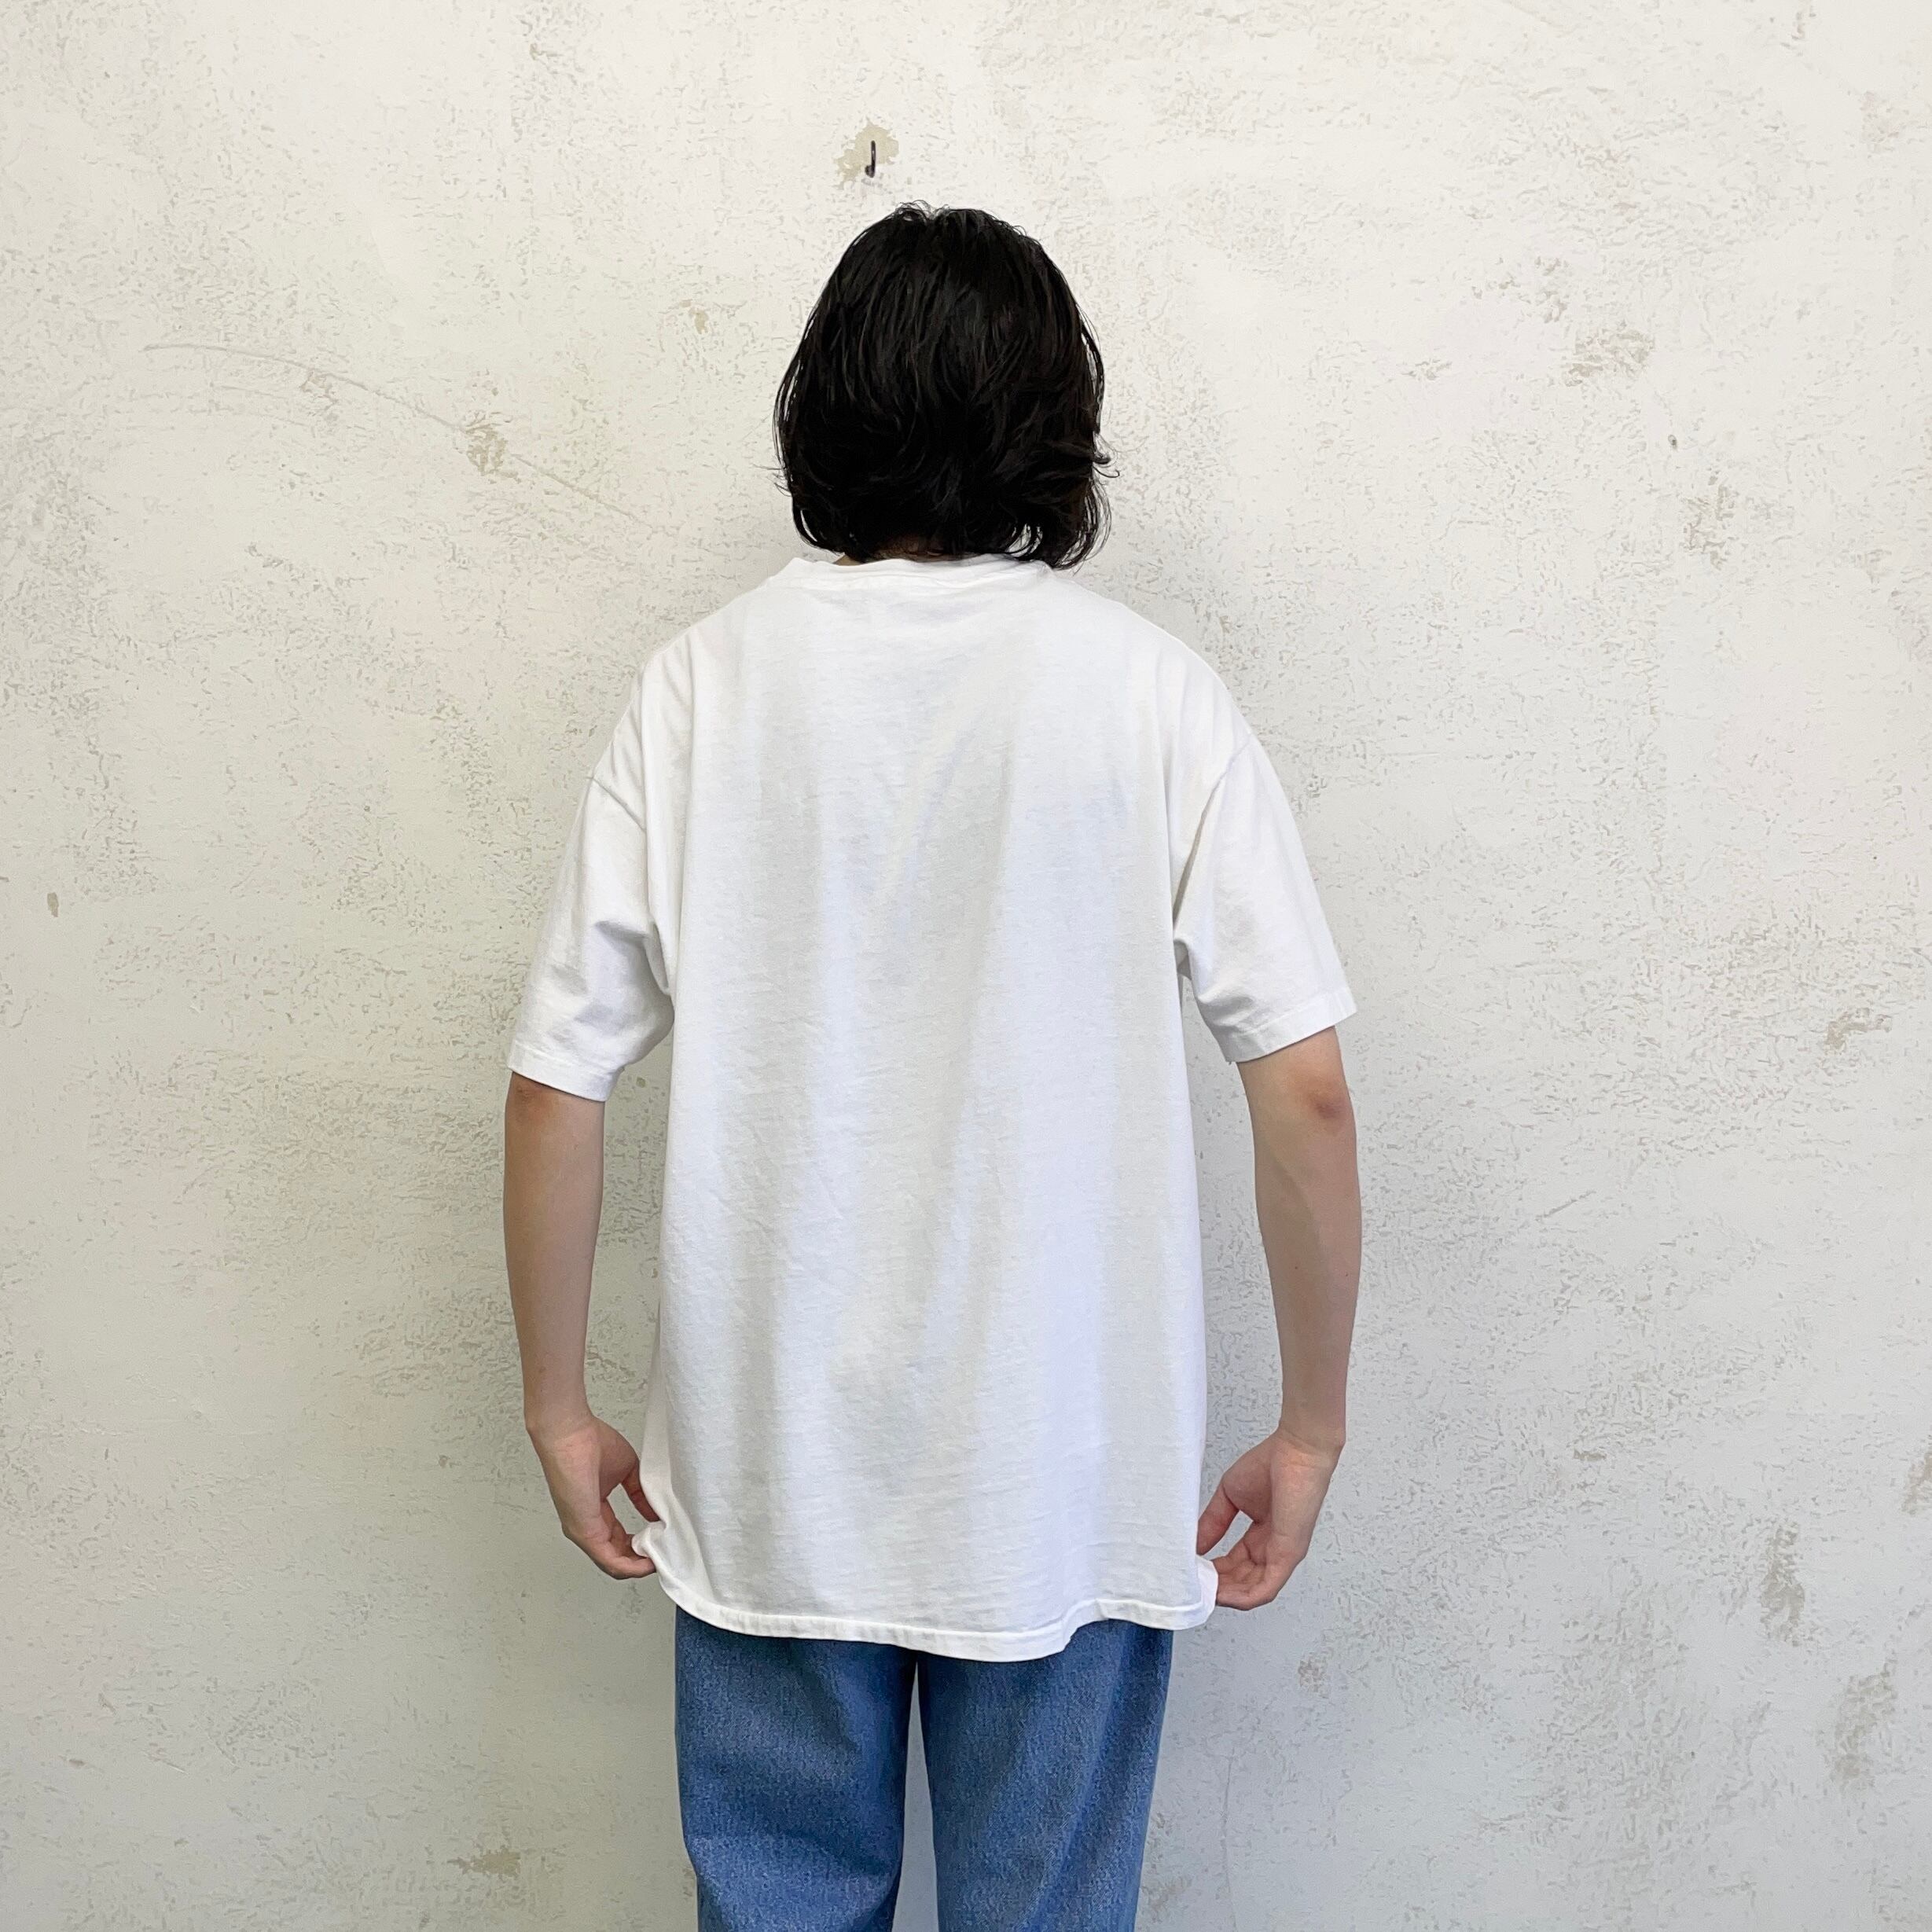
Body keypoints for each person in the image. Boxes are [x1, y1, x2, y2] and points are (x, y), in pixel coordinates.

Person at [501, 200, 1363, 1930]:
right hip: (1064, 1472)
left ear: (821, 408)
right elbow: (1305, 1091)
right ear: (1055, 422)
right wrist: (1311, 1423)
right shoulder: (1153, 696)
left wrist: (556, 1399)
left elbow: (555, 1082)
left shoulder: (698, 690)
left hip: (768, 1471)